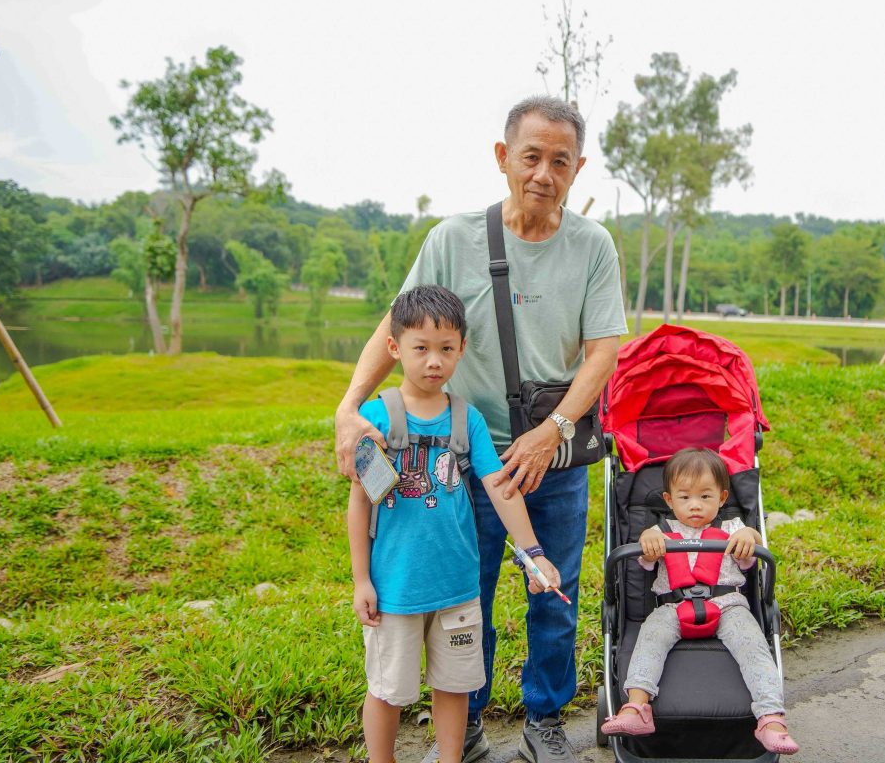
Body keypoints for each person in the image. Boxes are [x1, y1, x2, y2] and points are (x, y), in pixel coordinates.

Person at [335, 95, 627, 763]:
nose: (544, 174)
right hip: (462, 457)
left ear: (578, 168)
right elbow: (395, 327)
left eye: (561, 161)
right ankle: (464, 727)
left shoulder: (592, 247)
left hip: (549, 460)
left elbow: (602, 352)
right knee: (467, 597)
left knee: (553, 594)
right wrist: (350, 405)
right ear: (503, 158)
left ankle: (544, 721)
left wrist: (555, 428)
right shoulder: (452, 239)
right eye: (531, 157)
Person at [346, 285, 561, 763]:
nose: (433, 362)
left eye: (446, 349)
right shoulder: (376, 417)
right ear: (395, 347)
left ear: (462, 348)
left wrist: (534, 553)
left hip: (458, 586)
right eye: (420, 348)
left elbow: (500, 489)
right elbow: (360, 504)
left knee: (454, 686)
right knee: (386, 690)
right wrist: (361, 579)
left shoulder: (469, 421)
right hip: (395, 588)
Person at [599, 448, 799, 756]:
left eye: (705, 497)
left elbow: (753, 545)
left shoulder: (733, 528)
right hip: (672, 607)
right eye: (685, 497)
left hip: (728, 604)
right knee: (650, 638)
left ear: (721, 498)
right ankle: (637, 707)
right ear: (668, 500)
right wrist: (646, 546)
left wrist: (751, 537)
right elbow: (644, 560)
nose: (695, 505)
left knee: (753, 648)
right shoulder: (657, 532)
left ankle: (771, 718)